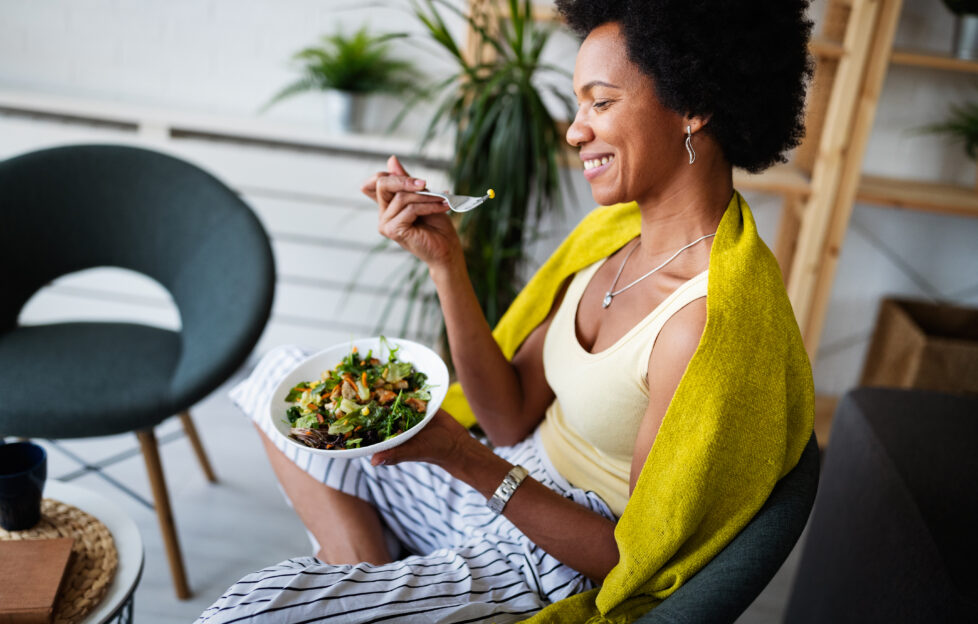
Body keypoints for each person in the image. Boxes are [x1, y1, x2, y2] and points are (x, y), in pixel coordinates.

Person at [198, 1, 814, 622]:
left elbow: (632, 557)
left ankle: (368, 591)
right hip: (502, 478)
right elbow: (508, 414)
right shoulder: (613, 240)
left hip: (550, 555)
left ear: (693, 105)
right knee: (282, 373)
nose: (575, 131)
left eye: (600, 103)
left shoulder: (703, 324)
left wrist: (461, 456)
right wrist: (446, 263)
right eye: (579, 105)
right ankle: (366, 573)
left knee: (244, 611)